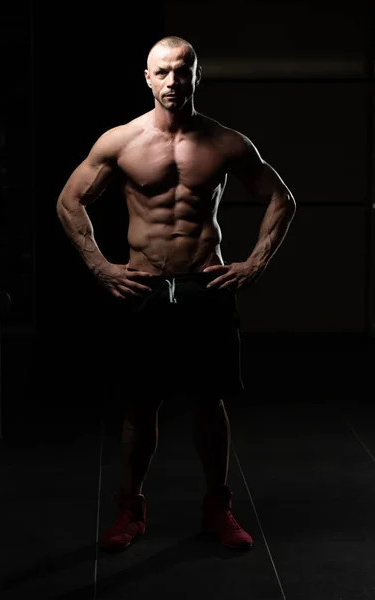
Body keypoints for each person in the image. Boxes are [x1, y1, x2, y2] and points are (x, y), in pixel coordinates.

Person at [56, 35, 296, 552]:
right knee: (141, 406)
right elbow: (69, 201)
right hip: (142, 287)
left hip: (203, 287)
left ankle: (218, 508)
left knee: (209, 403)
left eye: (181, 71)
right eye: (162, 72)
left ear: (196, 76)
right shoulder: (120, 141)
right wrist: (100, 268)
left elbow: (281, 198)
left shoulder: (225, 141)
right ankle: (130, 510)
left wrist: (254, 263)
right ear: (147, 78)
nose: (171, 81)